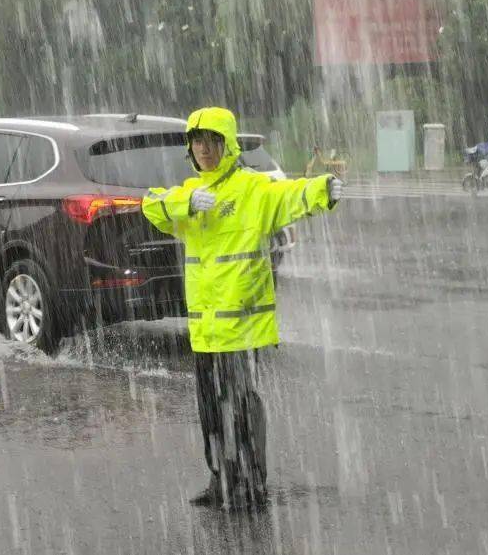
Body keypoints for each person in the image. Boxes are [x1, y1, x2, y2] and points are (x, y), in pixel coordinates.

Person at [141, 107, 343, 510]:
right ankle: (220, 481)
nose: (204, 150)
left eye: (212, 141)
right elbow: (152, 205)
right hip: (204, 331)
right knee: (212, 414)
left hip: (240, 329)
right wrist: (187, 202)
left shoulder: (252, 190)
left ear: (227, 145)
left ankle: (251, 484)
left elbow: (290, 195)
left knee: (241, 410)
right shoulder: (190, 195)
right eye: (197, 142)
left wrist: (323, 188)